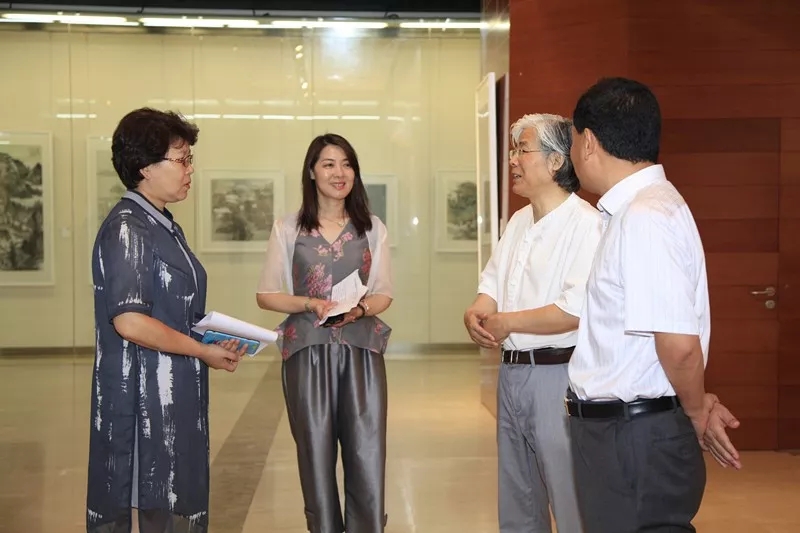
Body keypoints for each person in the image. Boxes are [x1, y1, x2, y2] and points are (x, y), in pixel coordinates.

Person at [566, 77, 742, 533]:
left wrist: (696, 410)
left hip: (632, 438)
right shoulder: (642, 208)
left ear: (588, 142)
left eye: (573, 140)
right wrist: (693, 401)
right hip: (628, 432)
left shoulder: (645, 217)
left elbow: (678, 346)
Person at [86, 108, 245, 533]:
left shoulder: (162, 226)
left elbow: (173, 311)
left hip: (173, 395)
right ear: (145, 167)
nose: (190, 170)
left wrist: (213, 338)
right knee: (156, 504)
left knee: (174, 505)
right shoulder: (128, 228)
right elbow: (130, 321)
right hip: (143, 402)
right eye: (182, 159)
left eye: (190, 159)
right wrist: (201, 351)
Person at [464, 113, 602, 533]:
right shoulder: (519, 220)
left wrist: (506, 322)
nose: (513, 160)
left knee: (570, 498)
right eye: (514, 151)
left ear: (556, 161)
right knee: (518, 499)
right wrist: (478, 310)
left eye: (522, 150)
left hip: (558, 376)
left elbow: (574, 309)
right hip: (512, 374)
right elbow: (492, 283)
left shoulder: (587, 224)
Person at [256, 133, 393, 533]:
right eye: (329, 164)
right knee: (314, 454)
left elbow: (383, 293)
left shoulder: (372, 228)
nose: (339, 172)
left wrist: (361, 309)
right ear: (312, 172)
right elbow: (266, 295)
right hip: (307, 352)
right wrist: (309, 303)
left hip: (361, 351)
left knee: (367, 451)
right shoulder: (287, 228)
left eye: (347, 164)